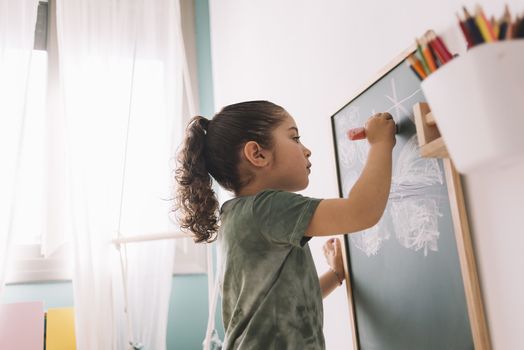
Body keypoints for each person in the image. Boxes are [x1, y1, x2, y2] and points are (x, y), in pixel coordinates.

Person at [174, 100, 395, 349]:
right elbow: (361, 211)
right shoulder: (267, 208)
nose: (306, 150)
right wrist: (380, 143)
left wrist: (335, 275)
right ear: (258, 154)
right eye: (295, 137)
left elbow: (285, 303)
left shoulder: (237, 216)